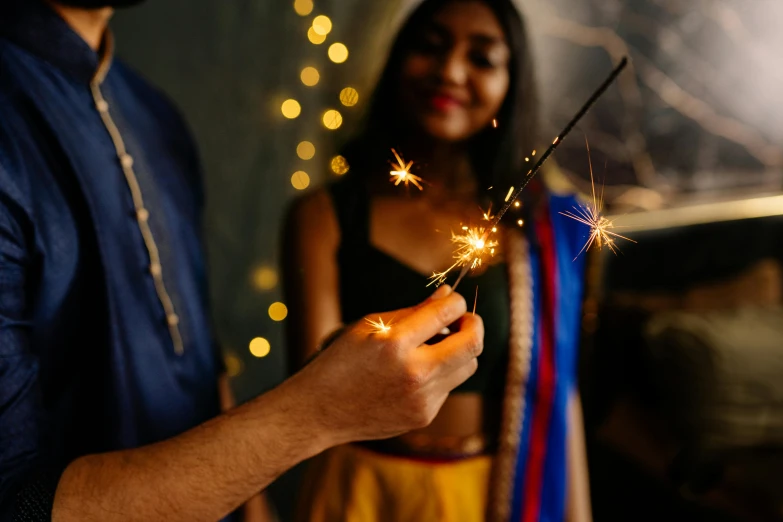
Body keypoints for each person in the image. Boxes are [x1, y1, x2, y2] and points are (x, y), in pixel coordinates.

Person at [0, 1, 485, 521]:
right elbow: (18, 507)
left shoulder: (156, 119)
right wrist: (316, 411)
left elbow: (200, 359)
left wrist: (253, 506)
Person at [284, 0, 592, 520]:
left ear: (512, 84)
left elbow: (557, 394)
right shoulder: (325, 215)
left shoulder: (541, 228)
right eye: (430, 47)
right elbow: (312, 387)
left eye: (482, 59)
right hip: (359, 490)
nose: (449, 72)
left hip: (488, 494)